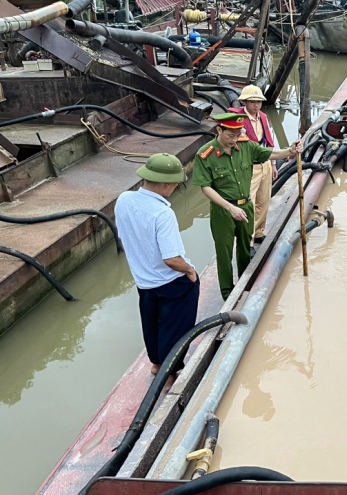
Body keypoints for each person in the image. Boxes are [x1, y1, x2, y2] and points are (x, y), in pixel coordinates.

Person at [193, 113, 304, 300]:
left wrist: (290, 151)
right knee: (224, 251)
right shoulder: (206, 154)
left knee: (245, 248)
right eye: (230, 135)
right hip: (223, 211)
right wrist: (230, 208)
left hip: (246, 208)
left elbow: (271, 154)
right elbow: (206, 188)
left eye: (237, 135)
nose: (234, 139)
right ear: (219, 130)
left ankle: (245, 283)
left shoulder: (245, 146)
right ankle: (228, 293)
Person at [115, 153, 199, 375]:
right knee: (176, 325)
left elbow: (124, 238)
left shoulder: (123, 199)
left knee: (151, 322)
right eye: (174, 185)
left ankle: (156, 364)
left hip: (143, 281)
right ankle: (172, 371)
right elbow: (171, 259)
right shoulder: (163, 213)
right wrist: (190, 271)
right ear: (165, 185)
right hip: (170, 281)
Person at [228, 85, 276, 250]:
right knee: (249, 203)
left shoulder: (262, 117)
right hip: (249, 167)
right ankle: (247, 240)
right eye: (253, 102)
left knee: (264, 201)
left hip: (266, 164)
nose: (256, 105)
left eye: (259, 102)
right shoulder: (236, 119)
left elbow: (269, 141)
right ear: (244, 102)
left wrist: (274, 164)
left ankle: (259, 232)